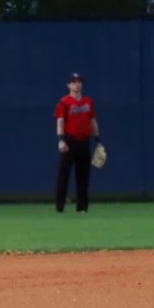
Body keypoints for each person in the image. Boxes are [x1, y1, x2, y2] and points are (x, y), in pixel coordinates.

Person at [54, 71, 99, 212]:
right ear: (68, 85)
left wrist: (98, 139)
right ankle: (60, 206)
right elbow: (60, 121)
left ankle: (82, 208)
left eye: (79, 81)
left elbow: (92, 121)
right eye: (73, 82)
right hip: (69, 141)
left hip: (84, 142)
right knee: (63, 175)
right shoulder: (63, 102)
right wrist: (61, 140)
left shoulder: (88, 102)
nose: (77, 84)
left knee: (83, 177)